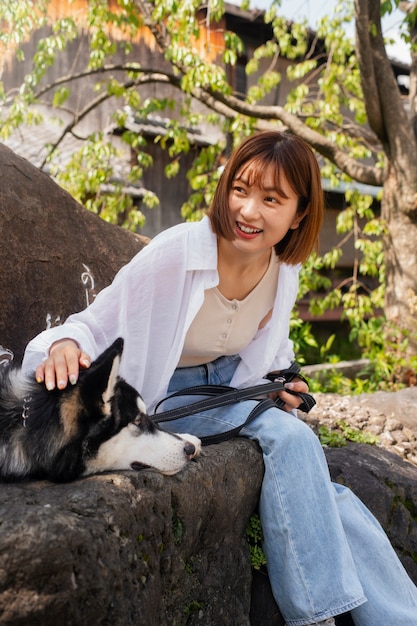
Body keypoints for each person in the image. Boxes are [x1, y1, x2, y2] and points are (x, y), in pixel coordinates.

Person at [22, 131, 417, 626]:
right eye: (240, 189)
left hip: (228, 388)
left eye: (271, 199)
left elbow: (271, 350)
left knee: (319, 486)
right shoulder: (176, 254)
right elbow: (94, 321)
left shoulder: (283, 270)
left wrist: (281, 382)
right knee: (292, 442)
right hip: (173, 394)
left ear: (299, 214)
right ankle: (320, 617)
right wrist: (62, 346)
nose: (249, 211)